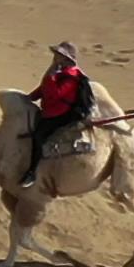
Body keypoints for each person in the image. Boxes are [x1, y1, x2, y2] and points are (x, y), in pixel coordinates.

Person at [28, 43, 95, 181]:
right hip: (52, 110)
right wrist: (29, 97)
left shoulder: (72, 77)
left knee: (38, 136)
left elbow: (55, 94)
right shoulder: (61, 73)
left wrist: (50, 76)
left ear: (66, 59)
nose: (55, 58)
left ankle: (32, 172)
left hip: (63, 114)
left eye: (58, 56)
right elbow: (44, 90)